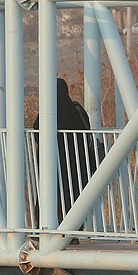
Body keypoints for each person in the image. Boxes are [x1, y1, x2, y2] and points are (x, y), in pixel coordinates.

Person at [31, 78, 98, 235]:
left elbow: (37, 132)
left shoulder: (49, 112)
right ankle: (72, 232)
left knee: (49, 194)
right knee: (73, 195)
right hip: (76, 162)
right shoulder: (76, 110)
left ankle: (45, 229)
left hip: (52, 162)